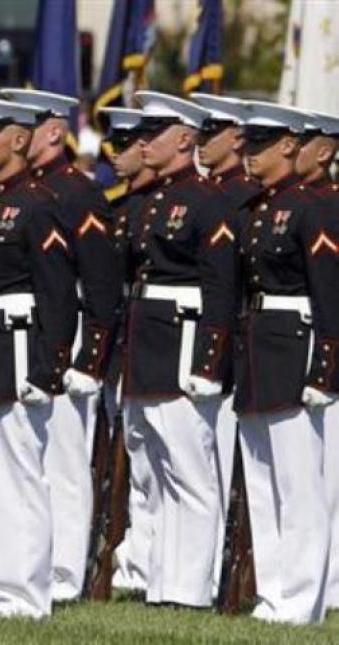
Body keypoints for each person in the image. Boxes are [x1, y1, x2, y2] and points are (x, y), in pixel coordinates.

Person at [1, 88, 119, 603]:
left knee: (66, 462)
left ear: (53, 131)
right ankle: (29, 562)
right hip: (29, 333)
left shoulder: (77, 192)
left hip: (64, 337)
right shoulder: (22, 190)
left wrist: (90, 356)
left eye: (26, 125)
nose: (15, 135)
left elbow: (99, 283)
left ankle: (67, 572)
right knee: (28, 458)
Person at [122, 91, 236, 609]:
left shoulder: (210, 200)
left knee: (191, 473)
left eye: (155, 134)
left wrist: (210, 362)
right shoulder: (154, 199)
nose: (143, 144)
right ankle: (163, 582)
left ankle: (190, 589)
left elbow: (219, 288)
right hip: (151, 339)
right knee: (162, 471)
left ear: (186, 138)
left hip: (184, 340)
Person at [234, 101, 337, 624]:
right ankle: (273, 594)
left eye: (260, 146)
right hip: (259, 346)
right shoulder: (261, 207)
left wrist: (326, 368)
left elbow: (329, 298)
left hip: (294, 347)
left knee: (300, 487)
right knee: (263, 481)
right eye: (248, 145)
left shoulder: (314, 207)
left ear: (291, 147)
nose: (248, 156)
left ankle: (302, 602)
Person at [189, 93, 261, 592]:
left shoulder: (243, 196)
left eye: (209, 133)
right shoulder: (212, 194)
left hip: (242, 340)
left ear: (234, 138)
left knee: (227, 466)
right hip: (220, 337)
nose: (200, 142)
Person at [97, 106, 156, 594]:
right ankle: (137, 561)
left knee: (168, 467)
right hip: (127, 345)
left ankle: (157, 564)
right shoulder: (120, 207)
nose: (116, 155)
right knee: (134, 458)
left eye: (128, 144)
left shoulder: (158, 205)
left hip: (165, 347)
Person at [293, 108, 339, 611]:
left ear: (325, 151)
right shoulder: (306, 204)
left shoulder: (327, 206)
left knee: (328, 476)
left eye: (303, 142)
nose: (293, 150)